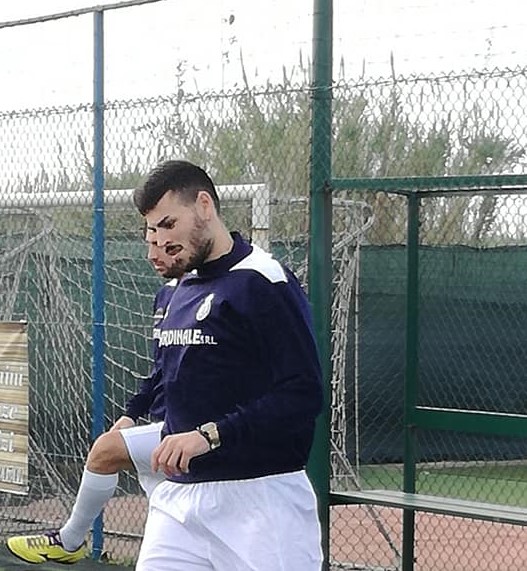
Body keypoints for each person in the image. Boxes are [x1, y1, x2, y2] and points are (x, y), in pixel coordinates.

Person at [133, 159, 324, 571]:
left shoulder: (263, 281)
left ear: (204, 205)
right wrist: (132, 415)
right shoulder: (172, 292)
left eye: (169, 223)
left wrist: (210, 435)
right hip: (178, 502)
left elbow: (303, 392)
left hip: (261, 502)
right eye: (152, 228)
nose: (161, 239)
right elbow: (171, 378)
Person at [6, 232, 183, 565]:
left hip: (194, 435)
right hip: (166, 428)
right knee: (171, 530)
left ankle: (70, 540)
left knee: (105, 451)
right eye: (148, 243)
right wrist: (131, 413)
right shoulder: (165, 296)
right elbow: (161, 370)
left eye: (163, 244)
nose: (152, 254)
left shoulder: (228, 290)